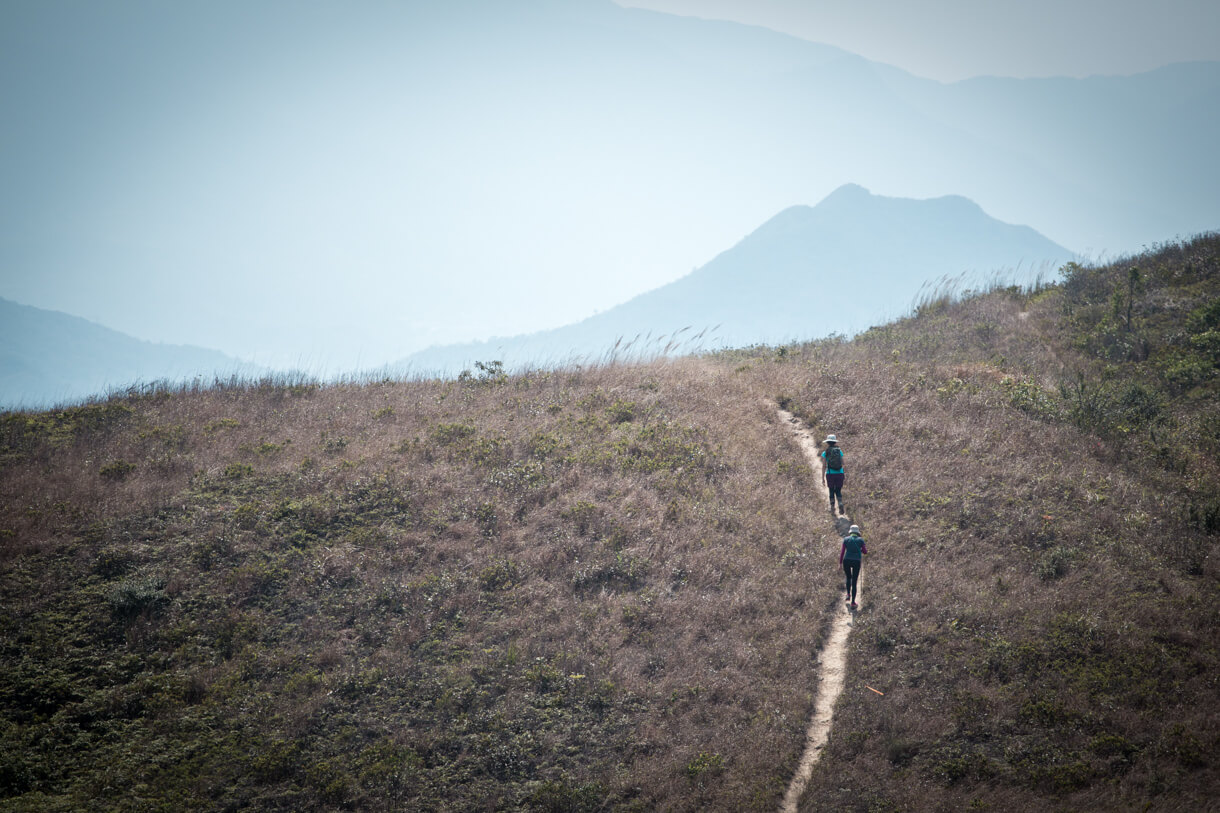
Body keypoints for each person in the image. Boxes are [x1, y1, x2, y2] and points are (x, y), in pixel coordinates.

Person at [840, 524, 867, 609]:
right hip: (856, 561)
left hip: (846, 560)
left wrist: (840, 563)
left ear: (850, 532)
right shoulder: (860, 540)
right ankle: (853, 603)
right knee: (854, 581)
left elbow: (842, 552)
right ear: (857, 532)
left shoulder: (846, 539)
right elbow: (865, 552)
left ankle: (848, 594)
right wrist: (861, 549)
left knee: (848, 578)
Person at [820, 434, 846, 515]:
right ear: (835, 442)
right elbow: (843, 463)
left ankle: (832, 507)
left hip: (830, 474)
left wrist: (823, 478)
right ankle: (840, 503)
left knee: (831, 490)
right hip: (840, 473)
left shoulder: (825, 452)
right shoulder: (839, 451)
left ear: (827, 442)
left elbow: (824, 465)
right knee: (838, 490)